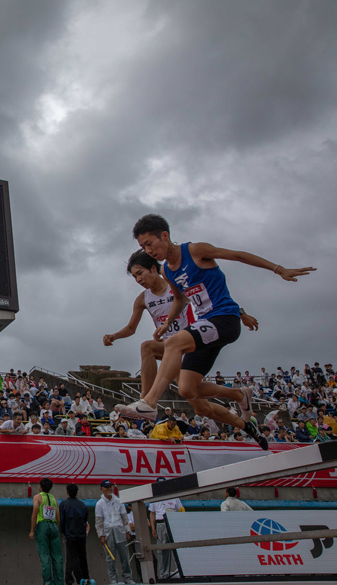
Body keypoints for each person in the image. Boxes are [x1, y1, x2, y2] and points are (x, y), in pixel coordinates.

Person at [120, 215, 313, 448]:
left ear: (165, 236)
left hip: (223, 320)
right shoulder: (169, 272)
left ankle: (149, 403)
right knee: (188, 389)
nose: (148, 250)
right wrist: (166, 323)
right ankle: (240, 395)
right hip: (203, 328)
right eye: (142, 247)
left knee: (173, 344)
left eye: (149, 244)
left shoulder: (195, 251)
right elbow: (181, 299)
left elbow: (238, 255)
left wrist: (278, 269)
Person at [104, 249, 258, 398]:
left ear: (152, 268)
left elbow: (211, 300)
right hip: (170, 348)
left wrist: (241, 313)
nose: (138, 280)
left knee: (198, 403)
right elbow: (131, 328)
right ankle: (145, 399)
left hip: (190, 343)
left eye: (140, 274)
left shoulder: (177, 288)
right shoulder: (143, 299)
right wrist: (114, 336)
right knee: (197, 404)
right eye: (135, 277)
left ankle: (145, 400)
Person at [94, 480, 133, 585]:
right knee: (110, 557)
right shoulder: (99, 504)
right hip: (108, 533)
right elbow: (99, 521)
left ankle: (127, 578)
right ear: (101, 489)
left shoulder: (118, 501)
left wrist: (127, 531)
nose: (109, 489)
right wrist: (101, 535)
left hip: (119, 530)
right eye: (106, 487)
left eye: (110, 487)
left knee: (124, 556)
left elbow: (124, 517)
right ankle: (113, 580)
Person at [148, 477, 185, 580]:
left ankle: (179, 571)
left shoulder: (173, 496)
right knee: (162, 550)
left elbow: (181, 510)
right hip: (160, 523)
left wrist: (179, 524)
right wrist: (153, 528)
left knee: (176, 548)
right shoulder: (154, 497)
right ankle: (164, 574)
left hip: (172, 522)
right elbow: (152, 513)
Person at [29, 478, 64, 585]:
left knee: (45, 557)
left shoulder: (37, 497)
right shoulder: (54, 499)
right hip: (53, 525)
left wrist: (32, 530)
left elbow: (35, 514)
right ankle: (59, 582)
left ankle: (48, 582)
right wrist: (56, 528)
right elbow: (58, 517)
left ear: (40, 486)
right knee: (57, 557)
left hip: (42, 526)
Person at [59, 484, 91, 585]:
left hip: (70, 535)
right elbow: (85, 520)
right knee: (82, 557)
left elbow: (62, 521)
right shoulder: (82, 504)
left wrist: (64, 532)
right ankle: (85, 578)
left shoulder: (64, 504)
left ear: (67, 492)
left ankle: (76, 579)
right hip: (81, 535)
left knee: (72, 558)